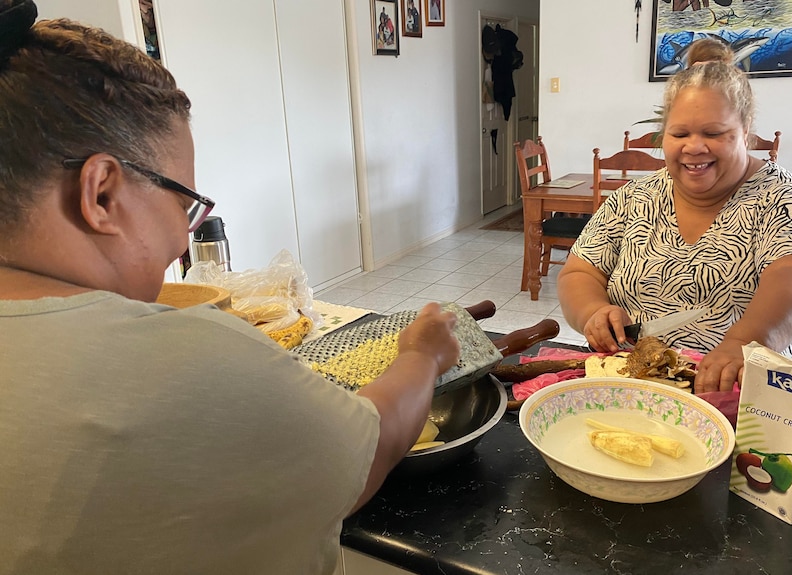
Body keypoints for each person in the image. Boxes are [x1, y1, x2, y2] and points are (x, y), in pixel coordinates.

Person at [0, 1, 460, 573]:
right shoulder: (188, 357)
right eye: (182, 200)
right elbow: (370, 449)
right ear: (101, 195)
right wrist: (423, 355)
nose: (182, 236)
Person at [557, 61, 792, 394]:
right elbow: (580, 273)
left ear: (745, 129)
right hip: (629, 394)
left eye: (713, 133)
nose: (693, 147)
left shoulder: (789, 199)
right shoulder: (632, 198)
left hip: (748, 406)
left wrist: (742, 342)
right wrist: (594, 312)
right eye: (679, 134)